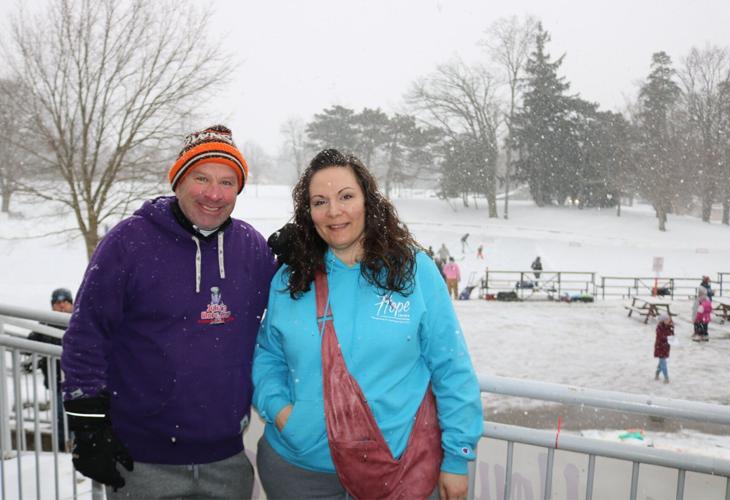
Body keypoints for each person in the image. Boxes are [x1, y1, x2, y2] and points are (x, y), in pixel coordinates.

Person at [252, 149, 482, 500]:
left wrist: (456, 457)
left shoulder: (414, 271)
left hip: (397, 471)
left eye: (346, 196)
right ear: (308, 212)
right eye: (320, 201)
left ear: (367, 200)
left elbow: (451, 367)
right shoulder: (291, 276)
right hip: (301, 473)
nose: (334, 211)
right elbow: (267, 354)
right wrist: (284, 414)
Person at [61, 125, 275, 497]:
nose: (213, 194)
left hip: (226, 461)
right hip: (141, 462)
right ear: (177, 180)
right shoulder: (128, 242)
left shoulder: (251, 248)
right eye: (201, 178)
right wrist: (88, 427)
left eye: (227, 182)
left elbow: (293, 305)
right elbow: (86, 335)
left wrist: (302, 246)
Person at [25, 287, 73, 449]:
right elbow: (29, 343)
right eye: (58, 303)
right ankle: (62, 448)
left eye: (65, 302)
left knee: (77, 415)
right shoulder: (45, 323)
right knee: (61, 414)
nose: (61, 306)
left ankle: (75, 447)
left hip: (78, 378)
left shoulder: (79, 321)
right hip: (57, 379)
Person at [654, 313, 674, 384]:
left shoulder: (670, 326)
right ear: (662, 320)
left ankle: (657, 373)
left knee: (661, 362)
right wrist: (667, 337)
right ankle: (666, 377)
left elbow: (672, 334)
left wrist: (672, 339)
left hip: (666, 346)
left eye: (668, 319)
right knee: (663, 362)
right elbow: (660, 336)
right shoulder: (659, 327)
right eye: (666, 319)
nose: (668, 320)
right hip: (660, 346)